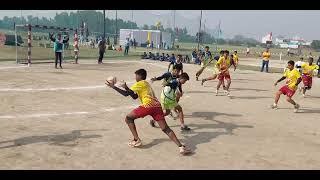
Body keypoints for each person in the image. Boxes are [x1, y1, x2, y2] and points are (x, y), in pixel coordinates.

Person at [105, 69, 192, 155]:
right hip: (157, 106)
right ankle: (181, 147)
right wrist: (126, 87)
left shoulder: (140, 83)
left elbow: (125, 94)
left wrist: (114, 87)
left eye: (136, 75)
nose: (135, 77)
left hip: (148, 105)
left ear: (140, 76)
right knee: (165, 128)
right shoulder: (146, 83)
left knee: (128, 118)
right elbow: (134, 96)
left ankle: (136, 140)